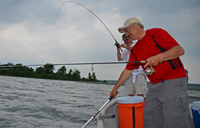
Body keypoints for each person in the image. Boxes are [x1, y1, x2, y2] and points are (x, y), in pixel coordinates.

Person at [110, 17, 188, 128]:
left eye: (127, 30)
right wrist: (115, 88)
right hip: (153, 86)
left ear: (136, 25)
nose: (127, 34)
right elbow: (127, 70)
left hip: (173, 81)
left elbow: (179, 50)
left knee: (173, 122)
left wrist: (159, 57)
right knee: (149, 120)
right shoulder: (135, 49)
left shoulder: (156, 33)